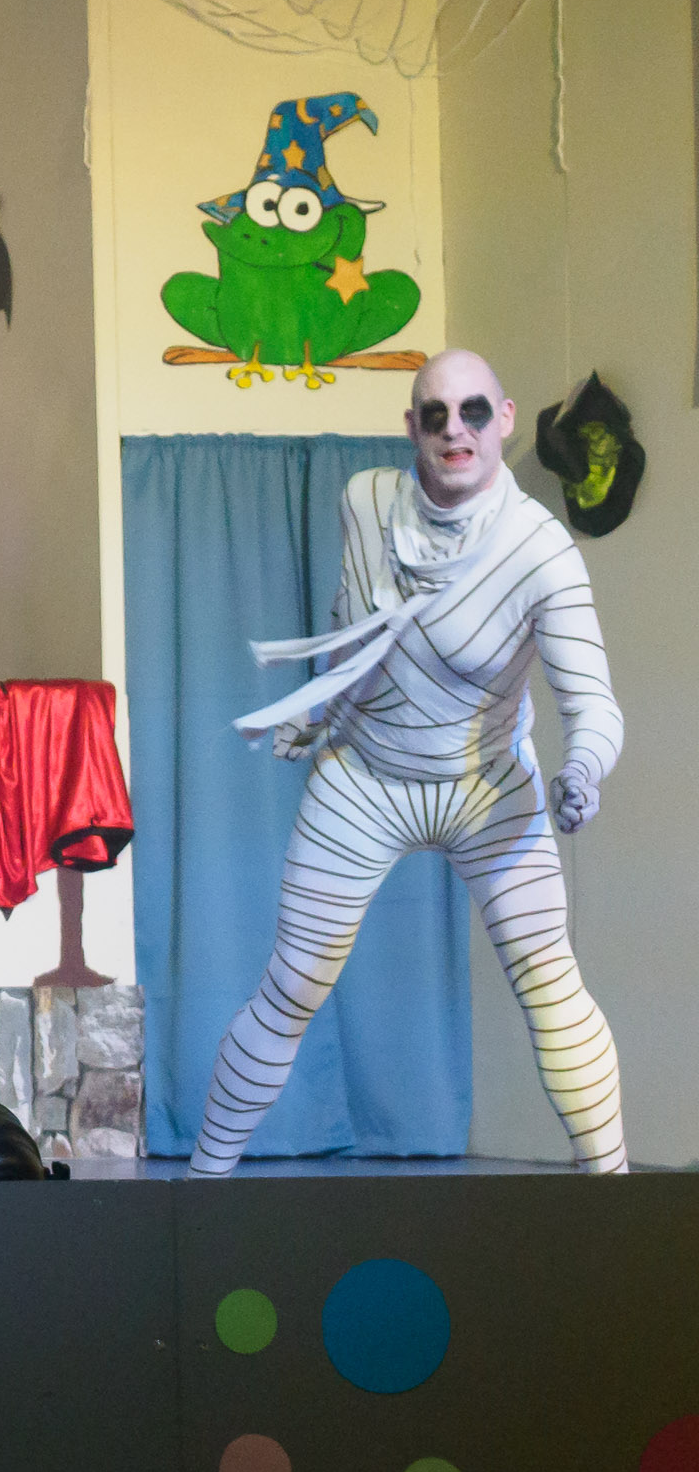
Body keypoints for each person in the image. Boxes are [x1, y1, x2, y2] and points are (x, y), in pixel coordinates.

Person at [192, 347, 623, 1174]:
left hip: (487, 787)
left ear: (504, 419)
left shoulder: (542, 554)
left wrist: (583, 769)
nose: (455, 430)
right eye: (436, 414)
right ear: (412, 427)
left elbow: (594, 705)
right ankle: (196, 1196)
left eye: (473, 412)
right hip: (365, 780)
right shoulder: (365, 502)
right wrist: (319, 708)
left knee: (551, 985)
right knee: (290, 988)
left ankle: (619, 1195)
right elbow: (352, 624)